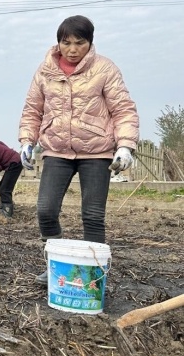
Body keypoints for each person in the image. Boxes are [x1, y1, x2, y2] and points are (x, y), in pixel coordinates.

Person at [18, 15, 139, 285]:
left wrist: (125, 146)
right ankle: (55, 266)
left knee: (93, 215)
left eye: (79, 43)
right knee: (46, 210)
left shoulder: (105, 69)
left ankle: (93, 273)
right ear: (58, 42)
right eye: (66, 42)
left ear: (90, 42)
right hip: (57, 151)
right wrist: (27, 140)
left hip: (97, 152)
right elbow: (32, 109)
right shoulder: (45, 70)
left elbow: (123, 109)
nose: (72, 49)